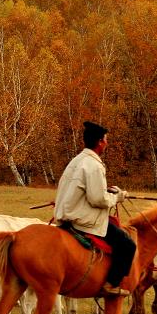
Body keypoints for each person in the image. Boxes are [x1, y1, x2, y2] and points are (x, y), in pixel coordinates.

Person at [53, 121, 135, 296]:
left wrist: (108, 192)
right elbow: (98, 199)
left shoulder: (77, 161)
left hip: (67, 215)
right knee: (127, 244)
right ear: (99, 142)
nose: (107, 143)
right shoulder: (95, 165)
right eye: (106, 139)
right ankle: (111, 284)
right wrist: (118, 197)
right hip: (83, 220)